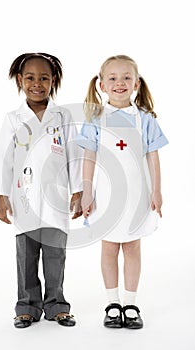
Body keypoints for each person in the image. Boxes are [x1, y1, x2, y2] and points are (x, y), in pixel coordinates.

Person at [0, 52, 83, 328]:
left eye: (44, 78)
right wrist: (1, 196)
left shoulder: (62, 116)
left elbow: (75, 155)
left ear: (53, 81)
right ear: (20, 80)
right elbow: (3, 160)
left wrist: (78, 191)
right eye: (30, 77)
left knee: (55, 255)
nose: (37, 83)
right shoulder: (13, 119)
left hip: (56, 200)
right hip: (24, 201)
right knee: (26, 256)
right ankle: (27, 306)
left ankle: (57, 305)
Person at [77, 55, 168, 329]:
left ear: (136, 83)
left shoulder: (145, 120)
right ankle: (112, 303)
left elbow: (153, 157)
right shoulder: (95, 119)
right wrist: (86, 191)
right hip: (107, 196)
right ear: (102, 85)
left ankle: (130, 303)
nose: (120, 83)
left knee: (132, 247)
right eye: (113, 78)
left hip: (136, 196)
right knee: (108, 248)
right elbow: (89, 157)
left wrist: (157, 191)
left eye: (126, 77)